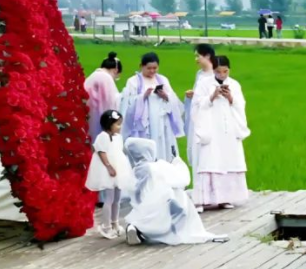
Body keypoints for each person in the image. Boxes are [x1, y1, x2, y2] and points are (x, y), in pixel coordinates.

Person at [123, 138, 223, 246]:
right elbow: (183, 179)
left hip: (143, 210)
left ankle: (135, 227)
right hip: (161, 210)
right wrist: (177, 162)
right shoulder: (157, 166)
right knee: (176, 193)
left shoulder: (134, 171)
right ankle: (174, 227)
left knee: (140, 216)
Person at [192, 55, 250, 210]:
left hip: (229, 128)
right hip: (211, 128)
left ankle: (225, 198)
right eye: (218, 72)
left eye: (225, 71)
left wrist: (230, 98)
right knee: (209, 159)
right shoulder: (204, 84)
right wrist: (212, 96)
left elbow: (240, 104)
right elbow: (197, 105)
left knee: (229, 160)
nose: (222, 75)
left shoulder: (234, 84)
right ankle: (203, 200)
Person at [119, 52, 184, 162]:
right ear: (141, 66)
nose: (152, 71)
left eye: (155, 68)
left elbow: (174, 99)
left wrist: (166, 96)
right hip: (144, 123)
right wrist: (143, 97)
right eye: (149, 68)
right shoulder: (133, 81)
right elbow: (127, 103)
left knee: (163, 147)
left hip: (162, 121)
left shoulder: (162, 80)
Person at [85, 110, 134, 239]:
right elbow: (102, 152)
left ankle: (115, 223)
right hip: (108, 171)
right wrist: (109, 166)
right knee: (109, 199)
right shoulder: (103, 137)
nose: (120, 127)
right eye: (117, 124)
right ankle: (106, 226)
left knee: (117, 199)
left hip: (118, 169)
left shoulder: (118, 137)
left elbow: (118, 151)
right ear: (109, 124)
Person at [184, 44, 216, 168]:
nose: (196, 59)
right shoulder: (199, 73)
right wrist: (192, 95)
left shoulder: (215, 73)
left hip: (209, 114)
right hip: (197, 113)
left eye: (198, 56)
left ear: (207, 56)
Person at [84, 51, 123, 145]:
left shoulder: (93, 76)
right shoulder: (106, 78)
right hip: (97, 116)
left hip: (88, 113)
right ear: (116, 70)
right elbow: (111, 102)